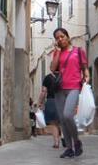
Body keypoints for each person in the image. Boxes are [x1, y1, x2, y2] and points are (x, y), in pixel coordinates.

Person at [50, 27, 89, 158]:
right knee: (62, 120)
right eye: (57, 38)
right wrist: (56, 51)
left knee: (67, 115)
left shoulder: (78, 51)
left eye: (62, 36)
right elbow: (52, 68)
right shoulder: (58, 53)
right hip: (59, 89)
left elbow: (84, 68)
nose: (60, 39)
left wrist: (87, 77)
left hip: (74, 87)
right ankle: (69, 148)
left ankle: (77, 142)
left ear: (67, 36)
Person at [38, 75, 63, 149]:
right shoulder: (64, 75)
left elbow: (44, 91)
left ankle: (56, 142)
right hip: (62, 100)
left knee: (54, 123)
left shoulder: (48, 78)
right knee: (62, 121)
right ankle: (64, 138)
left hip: (51, 101)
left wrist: (40, 102)